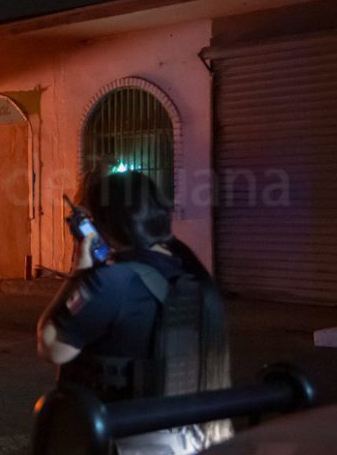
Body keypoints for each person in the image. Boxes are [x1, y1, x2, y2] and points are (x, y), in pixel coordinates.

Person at [37, 171, 231, 454]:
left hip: (127, 438)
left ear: (107, 224)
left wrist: (80, 270)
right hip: (187, 435)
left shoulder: (114, 281)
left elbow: (51, 345)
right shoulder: (190, 272)